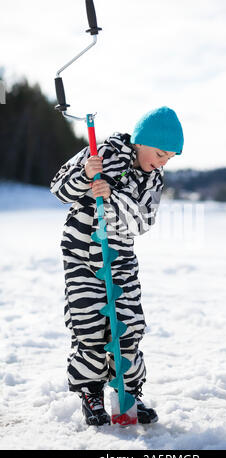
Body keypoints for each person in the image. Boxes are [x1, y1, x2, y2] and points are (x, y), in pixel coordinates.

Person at [50, 106, 184, 426]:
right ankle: (91, 393)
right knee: (89, 326)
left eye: (170, 157)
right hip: (82, 256)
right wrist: (85, 174)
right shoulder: (99, 153)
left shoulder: (153, 177)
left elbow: (142, 221)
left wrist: (112, 196)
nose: (163, 161)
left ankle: (128, 393)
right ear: (141, 141)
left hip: (120, 259)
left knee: (128, 325)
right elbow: (59, 189)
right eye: (160, 153)